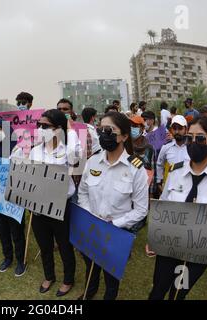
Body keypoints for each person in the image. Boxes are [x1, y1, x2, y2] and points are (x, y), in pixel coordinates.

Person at [148, 116, 207, 300]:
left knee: (178, 293)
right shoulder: (175, 173)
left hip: (197, 256)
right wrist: (154, 236)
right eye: (190, 138)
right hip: (168, 248)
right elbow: (163, 206)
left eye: (201, 138)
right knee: (157, 290)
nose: (194, 142)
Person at [78, 111, 149, 300]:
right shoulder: (93, 161)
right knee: (90, 265)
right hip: (91, 227)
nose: (104, 134)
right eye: (101, 130)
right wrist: (88, 216)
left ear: (124, 136)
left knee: (111, 275)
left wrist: (114, 224)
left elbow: (141, 209)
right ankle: (88, 293)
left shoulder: (136, 168)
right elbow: (83, 192)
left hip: (116, 233)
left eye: (110, 130)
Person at [29, 109, 82, 297]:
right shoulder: (35, 151)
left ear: (58, 128)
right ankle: (49, 276)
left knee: (65, 246)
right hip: (38, 207)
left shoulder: (67, 150)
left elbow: (78, 155)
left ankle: (68, 279)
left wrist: (70, 128)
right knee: (44, 245)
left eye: (46, 126)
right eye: (39, 125)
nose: (41, 129)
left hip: (61, 206)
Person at [0, 119, 27, 276]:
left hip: (14, 198)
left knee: (16, 230)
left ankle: (20, 260)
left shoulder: (17, 149)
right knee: (2, 229)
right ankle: (7, 257)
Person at [156, 115, 190, 189]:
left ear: (186, 129)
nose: (177, 131)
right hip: (170, 188)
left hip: (188, 188)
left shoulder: (192, 147)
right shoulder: (166, 147)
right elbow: (159, 164)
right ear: (171, 130)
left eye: (180, 128)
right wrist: (159, 181)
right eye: (174, 128)